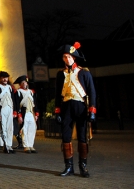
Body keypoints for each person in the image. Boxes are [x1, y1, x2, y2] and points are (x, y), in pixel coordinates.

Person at [55, 42, 96, 178]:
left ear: (74, 58)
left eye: (69, 57)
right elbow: (57, 94)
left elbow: (92, 92)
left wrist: (92, 110)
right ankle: (69, 167)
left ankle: (83, 167)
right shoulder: (61, 74)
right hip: (66, 106)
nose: (67, 59)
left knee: (82, 138)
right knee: (66, 137)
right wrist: (57, 111)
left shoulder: (84, 72)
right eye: (65, 57)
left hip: (80, 106)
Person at [14, 75, 38, 153]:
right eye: (23, 82)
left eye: (25, 82)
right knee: (24, 129)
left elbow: (35, 103)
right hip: (24, 113)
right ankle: (26, 146)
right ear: (20, 84)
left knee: (32, 129)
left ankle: (31, 145)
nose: (25, 84)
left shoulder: (31, 92)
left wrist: (36, 113)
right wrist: (19, 115)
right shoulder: (18, 92)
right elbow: (17, 104)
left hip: (31, 112)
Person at [0, 71, 17, 153]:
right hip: (2, 108)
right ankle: (4, 145)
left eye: (6, 78)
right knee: (3, 127)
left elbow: (13, 99)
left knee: (10, 128)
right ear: (0, 78)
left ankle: (9, 144)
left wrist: (15, 110)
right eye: (3, 77)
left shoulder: (10, 87)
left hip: (10, 108)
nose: (5, 79)